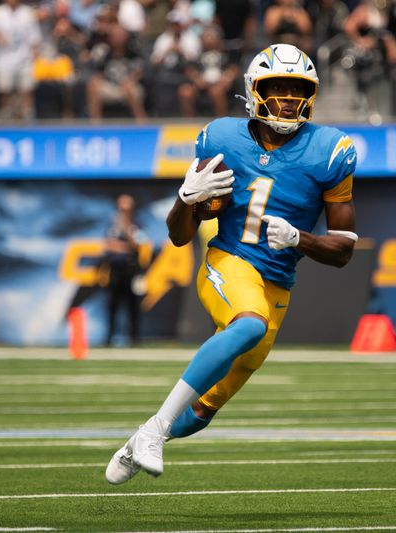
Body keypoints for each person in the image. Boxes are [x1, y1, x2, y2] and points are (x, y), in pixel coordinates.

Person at [106, 44, 358, 484]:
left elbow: (344, 250)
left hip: (278, 280)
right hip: (229, 259)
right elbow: (180, 235)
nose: (286, 100)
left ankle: (142, 437)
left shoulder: (330, 150)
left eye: (295, 90)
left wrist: (301, 238)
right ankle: (155, 429)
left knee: (204, 412)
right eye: (275, 88)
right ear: (254, 91)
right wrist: (186, 200)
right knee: (249, 324)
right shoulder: (221, 138)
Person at [0, 0, 43, 120]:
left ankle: (28, 116)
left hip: (25, 59)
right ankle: (6, 115)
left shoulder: (27, 13)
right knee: (4, 90)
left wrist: (36, 56)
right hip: (3, 59)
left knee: (27, 89)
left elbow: (35, 37)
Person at [102, 194, 144, 347]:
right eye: (121, 208)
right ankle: (109, 337)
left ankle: (134, 337)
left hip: (131, 269)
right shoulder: (111, 225)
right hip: (114, 270)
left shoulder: (136, 224)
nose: (123, 211)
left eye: (127, 209)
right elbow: (107, 245)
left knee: (132, 306)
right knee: (112, 305)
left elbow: (138, 245)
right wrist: (125, 248)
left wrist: (126, 229)